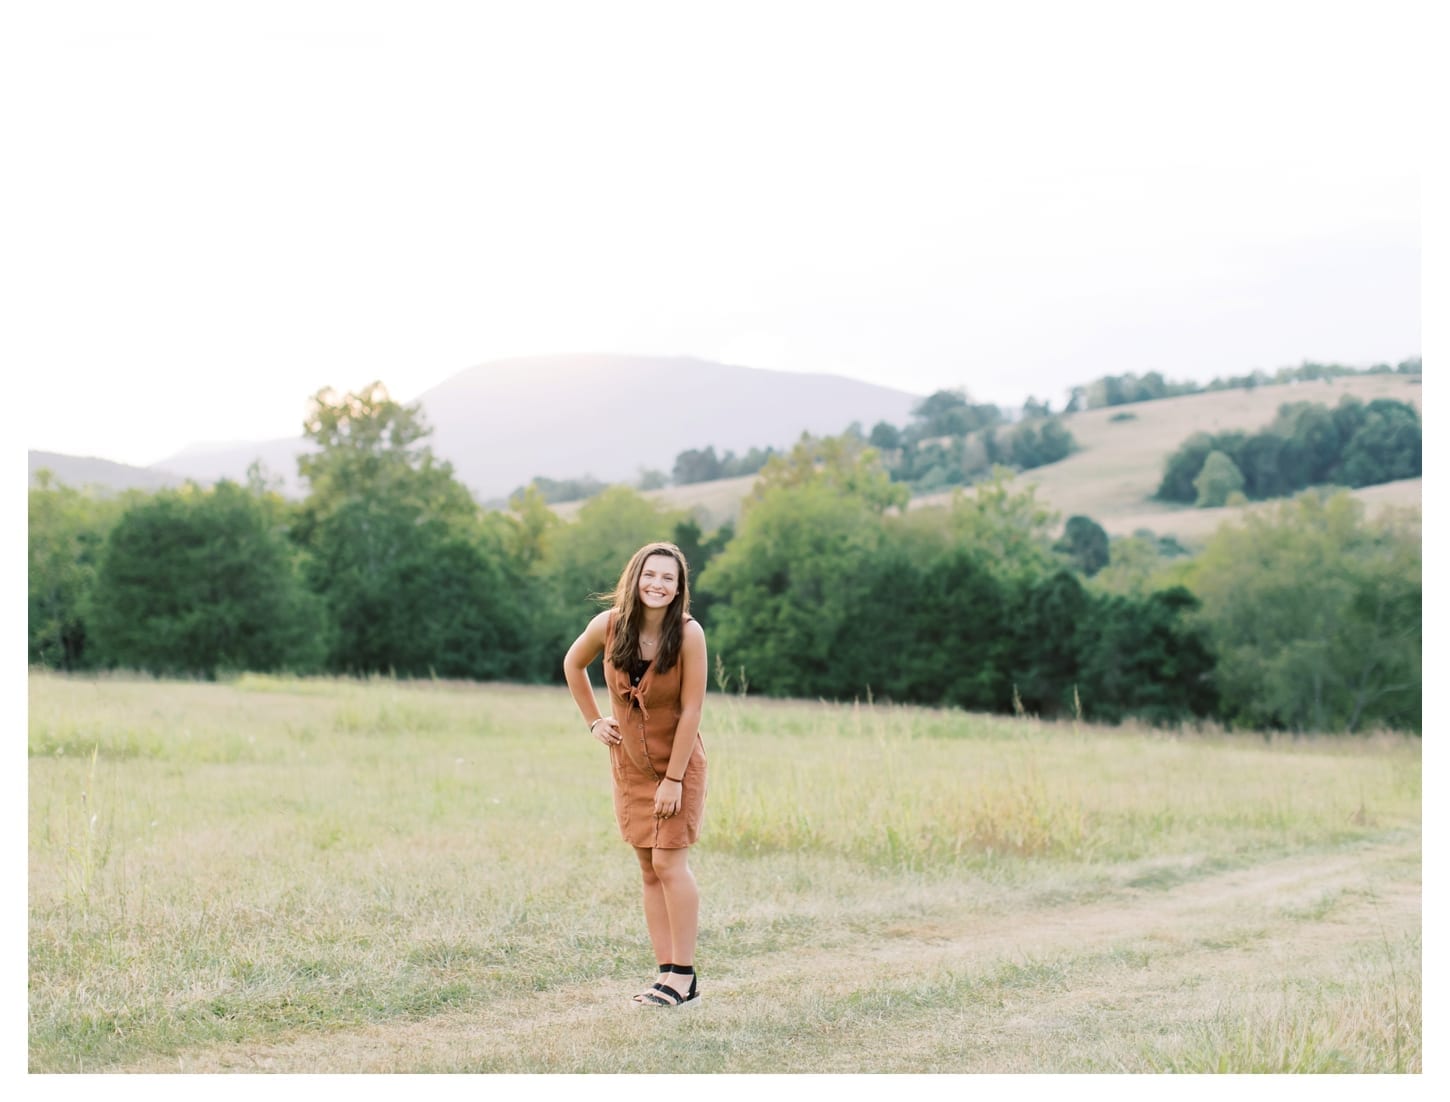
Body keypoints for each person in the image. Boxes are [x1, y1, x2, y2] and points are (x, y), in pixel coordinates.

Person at [563, 541, 708, 1007]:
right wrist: (593, 719)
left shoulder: (688, 634)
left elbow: (692, 710)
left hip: (677, 765)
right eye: (651, 575)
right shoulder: (608, 627)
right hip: (629, 766)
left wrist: (673, 779)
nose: (658, 584)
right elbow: (572, 663)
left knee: (669, 863)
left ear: (679, 588)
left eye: (669, 578)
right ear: (635, 578)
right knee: (647, 868)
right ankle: (665, 974)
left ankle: (684, 977)